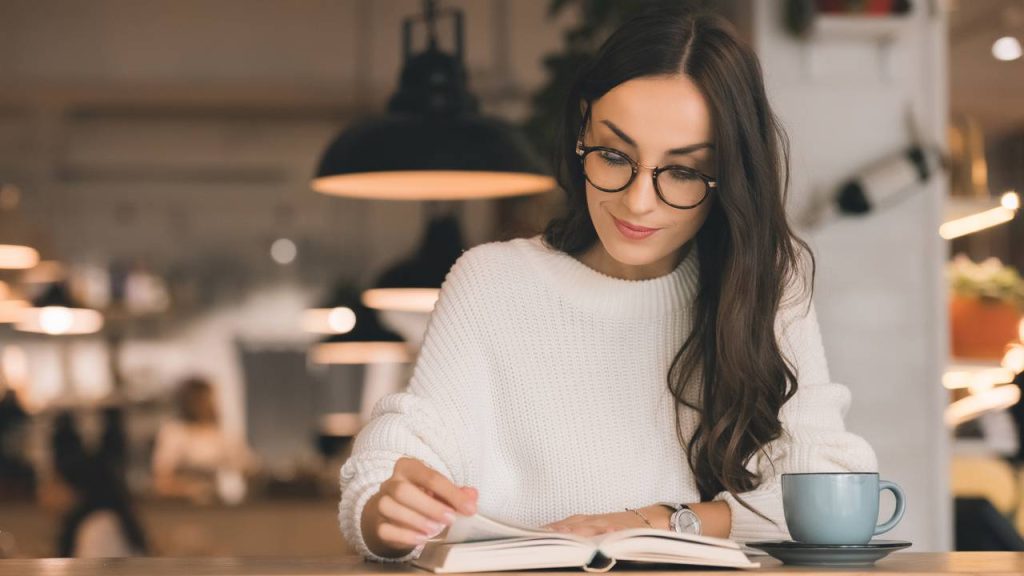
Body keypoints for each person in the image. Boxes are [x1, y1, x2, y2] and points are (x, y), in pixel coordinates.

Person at [339, 5, 878, 562]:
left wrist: (656, 522)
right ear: (582, 130)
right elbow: (395, 456)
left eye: (685, 171)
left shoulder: (766, 284)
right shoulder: (492, 282)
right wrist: (387, 511)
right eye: (615, 155)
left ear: (730, 177)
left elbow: (827, 482)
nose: (637, 202)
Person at [151, 377, 250, 504]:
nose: (213, 403)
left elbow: (246, 466)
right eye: (207, 398)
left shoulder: (221, 435)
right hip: (180, 508)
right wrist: (190, 490)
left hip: (216, 506)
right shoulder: (175, 433)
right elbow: (161, 480)